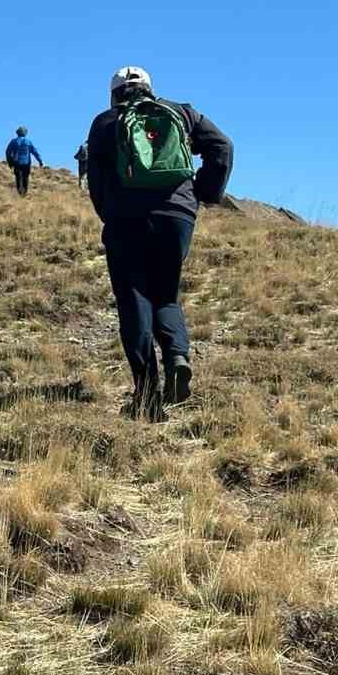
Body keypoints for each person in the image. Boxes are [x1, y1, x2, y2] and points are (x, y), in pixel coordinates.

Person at [84, 66, 233, 421]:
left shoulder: (105, 122)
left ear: (115, 93)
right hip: (177, 216)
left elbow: (97, 179)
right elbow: (222, 147)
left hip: (126, 219)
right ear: (150, 89)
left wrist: (111, 214)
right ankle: (178, 357)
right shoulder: (182, 113)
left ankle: (147, 396)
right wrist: (202, 193)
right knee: (165, 293)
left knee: (133, 297)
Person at [4, 126, 45, 195]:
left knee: (18, 178)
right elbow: (35, 152)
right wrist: (40, 161)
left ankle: (20, 192)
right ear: (25, 133)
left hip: (16, 163)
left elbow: (7, 152)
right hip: (26, 163)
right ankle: (24, 193)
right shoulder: (28, 142)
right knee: (25, 178)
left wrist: (10, 163)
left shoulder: (13, 141)